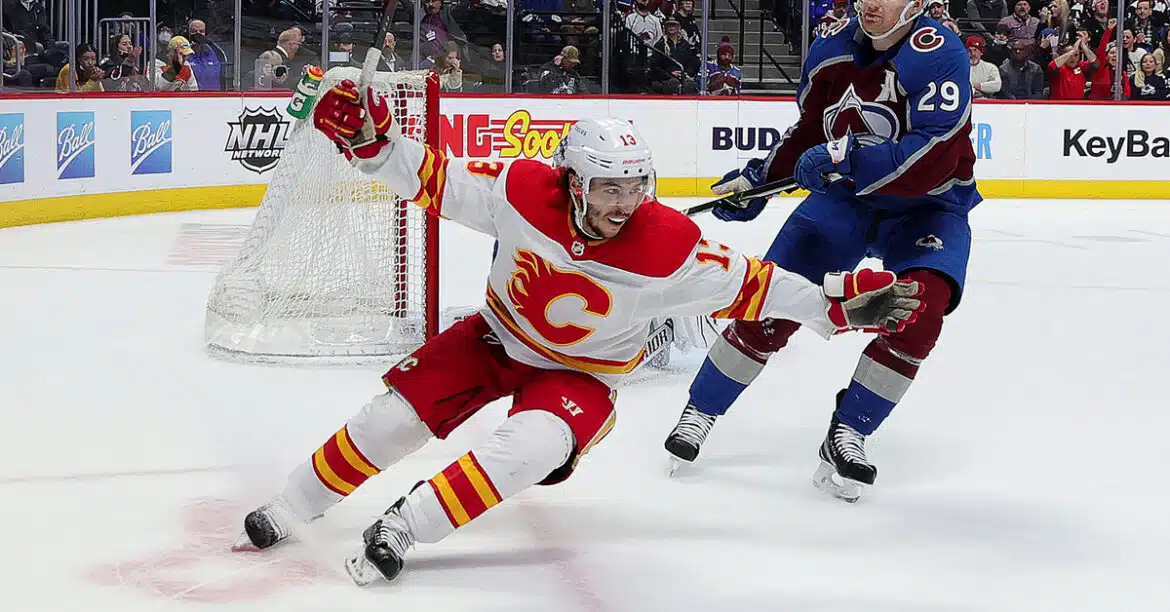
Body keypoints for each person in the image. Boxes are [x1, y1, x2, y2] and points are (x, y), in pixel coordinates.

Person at [233, 84, 924, 585]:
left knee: (530, 446)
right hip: (493, 339)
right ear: (572, 181)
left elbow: (760, 286)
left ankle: (402, 527)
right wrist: (372, 145)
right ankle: (293, 507)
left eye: (634, 187)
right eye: (607, 188)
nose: (623, 204)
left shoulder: (672, 248)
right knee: (390, 420)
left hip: (582, 378)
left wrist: (836, 307)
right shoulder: (521, 191)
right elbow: (436, 181)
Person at [663, 0, 980, 503]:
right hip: (845, 201)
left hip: (930, 204)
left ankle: (849, 432)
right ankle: (701, 409)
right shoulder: (831, 50)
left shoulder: (940, 52)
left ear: (917, 4)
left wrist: (844, 156)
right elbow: (810, 131)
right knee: (770, 304)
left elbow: (930, 154)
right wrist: (759, 180)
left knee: (922, 308)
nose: (868, 3)